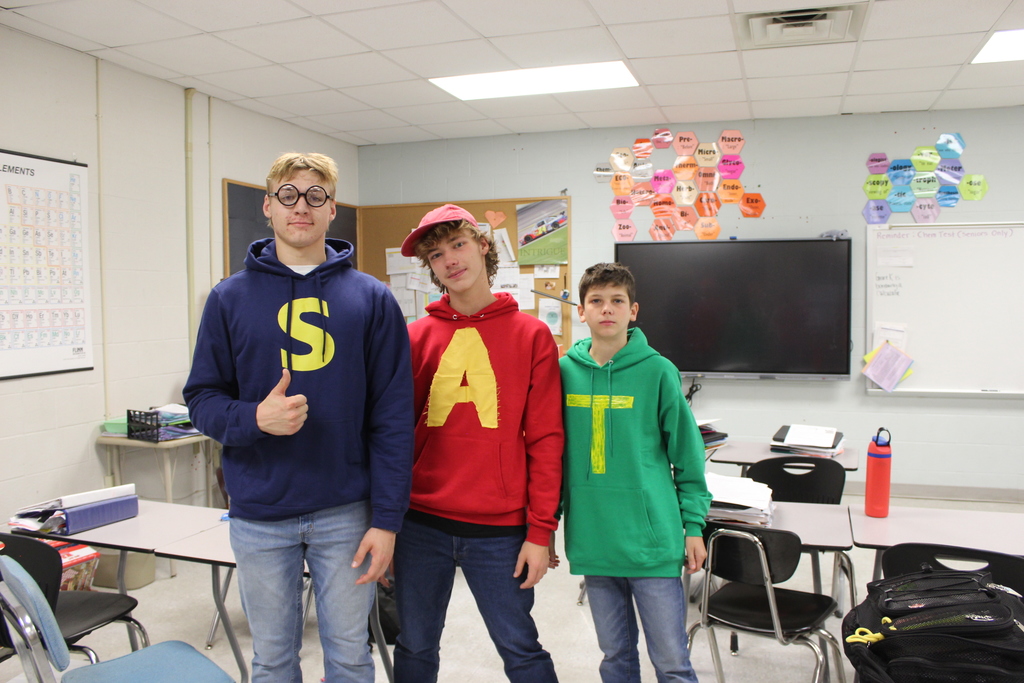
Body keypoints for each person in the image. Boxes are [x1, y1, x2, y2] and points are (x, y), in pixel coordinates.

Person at [183, 152, 413, 683]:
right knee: (272, 660)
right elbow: (202, 399)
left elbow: (394, 419)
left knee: (351, 658)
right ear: (268, 207)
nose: (301, 207)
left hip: (346, 511)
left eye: (315, 196)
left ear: (332, 209)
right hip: (260, 513)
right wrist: (254, 418)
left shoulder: (372, 299)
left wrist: (387, 520)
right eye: (287, 195)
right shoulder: (228, 298)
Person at [394, 204, 563, 683]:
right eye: (436, 254)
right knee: (414, 645)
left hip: (500, 530)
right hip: (419, 524)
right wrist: (383, 522)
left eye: (458, 245)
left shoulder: (532, 335)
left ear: (483, 246)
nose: (450, 260)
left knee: (521, 649)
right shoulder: (414, 337)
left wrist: (540, 531)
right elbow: (392, 437)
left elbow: (547, 440)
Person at [558, 262, 711, 683]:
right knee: (615, 658)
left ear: (633, 310)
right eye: (596, 301)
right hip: (594, 539)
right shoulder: (563, 371)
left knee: (672, 663)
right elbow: (553, 457)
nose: (607, 309)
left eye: (617, 300)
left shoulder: (658, 370)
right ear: (581, 311)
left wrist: (693, 526)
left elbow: (688, 455)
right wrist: (545, 525)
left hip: (652, 543)